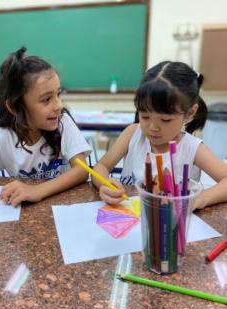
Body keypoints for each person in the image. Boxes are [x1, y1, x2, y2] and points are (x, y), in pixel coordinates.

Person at [0, 47, 91, 206]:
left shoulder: (62, 122)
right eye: (46, 99)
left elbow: (82, 171)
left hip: (64, 210)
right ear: (15, 107)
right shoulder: (4, 138)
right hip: (24, 219)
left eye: (58, 94)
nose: (59, 105)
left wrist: (37, 190)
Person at [93, 61, 227, 210]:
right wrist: (104, 184)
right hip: (131, 220)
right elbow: (102, 166)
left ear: (189, 113)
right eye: (144, 116)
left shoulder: (192, 148)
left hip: (173, 226)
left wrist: (201, 198)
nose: (153, 128)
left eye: (165, 120)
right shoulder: (132, 134)